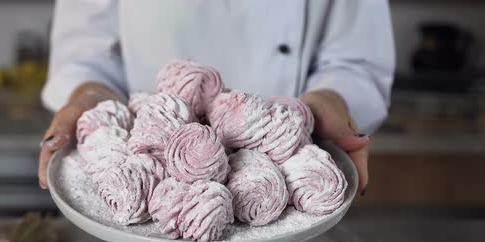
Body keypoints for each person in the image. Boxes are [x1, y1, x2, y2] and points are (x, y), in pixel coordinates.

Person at [38, 0, 395, 196]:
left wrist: (327, 100)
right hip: (140, 197)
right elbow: (87, 55)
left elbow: (355, 59)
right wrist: (90, 98)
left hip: (294, 198)